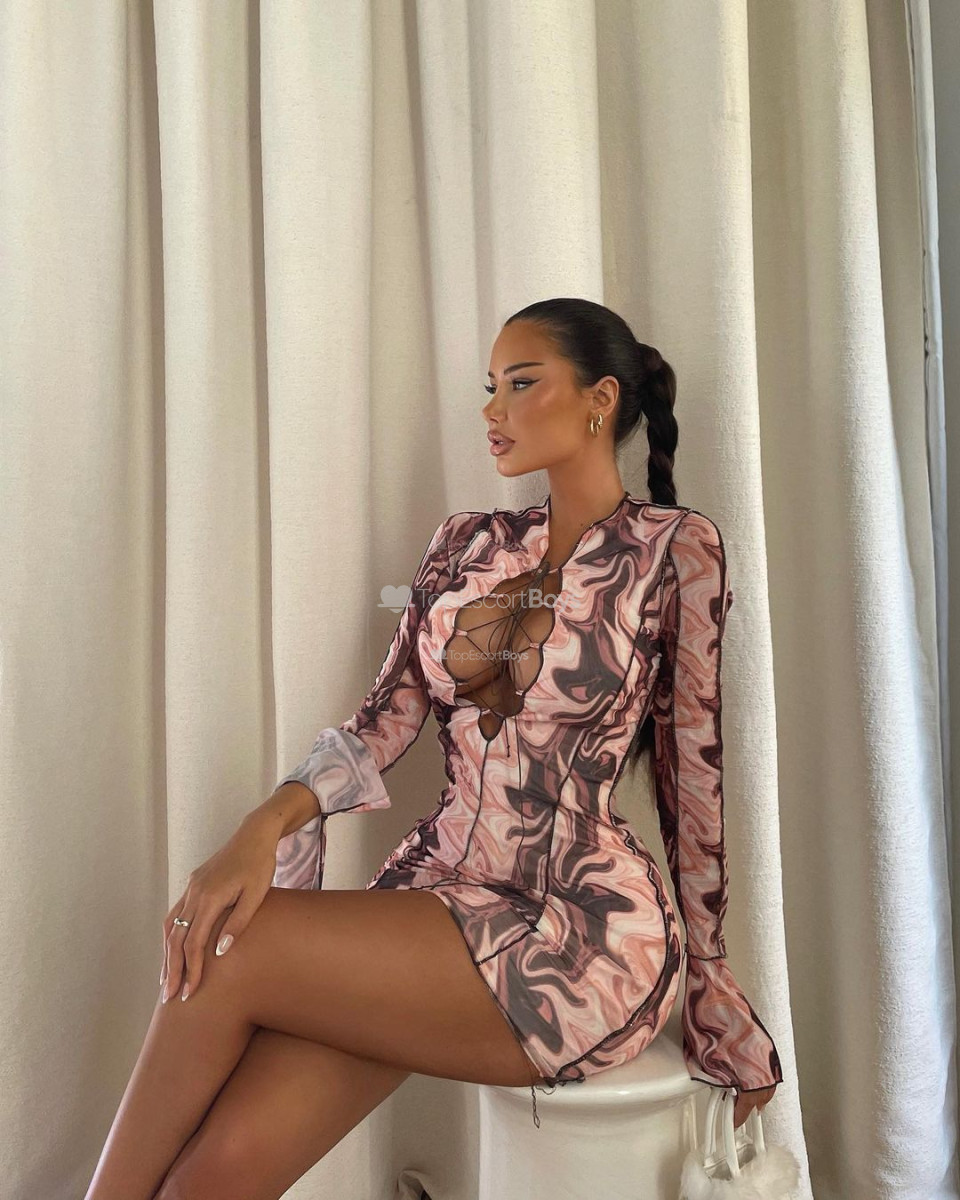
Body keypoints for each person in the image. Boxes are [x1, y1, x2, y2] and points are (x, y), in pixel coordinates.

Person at [85, 297, 782, 1200]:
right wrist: (263, 825)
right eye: (490, 387)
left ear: (600, 399)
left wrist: (714, 982)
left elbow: (695, 778)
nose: (493, 409)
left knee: (228, 944)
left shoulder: (676, 551)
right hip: (438, 891)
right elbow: (384, 719)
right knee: (216, 1175)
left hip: (576, 930)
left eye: (521, 384)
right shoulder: (465, 544)